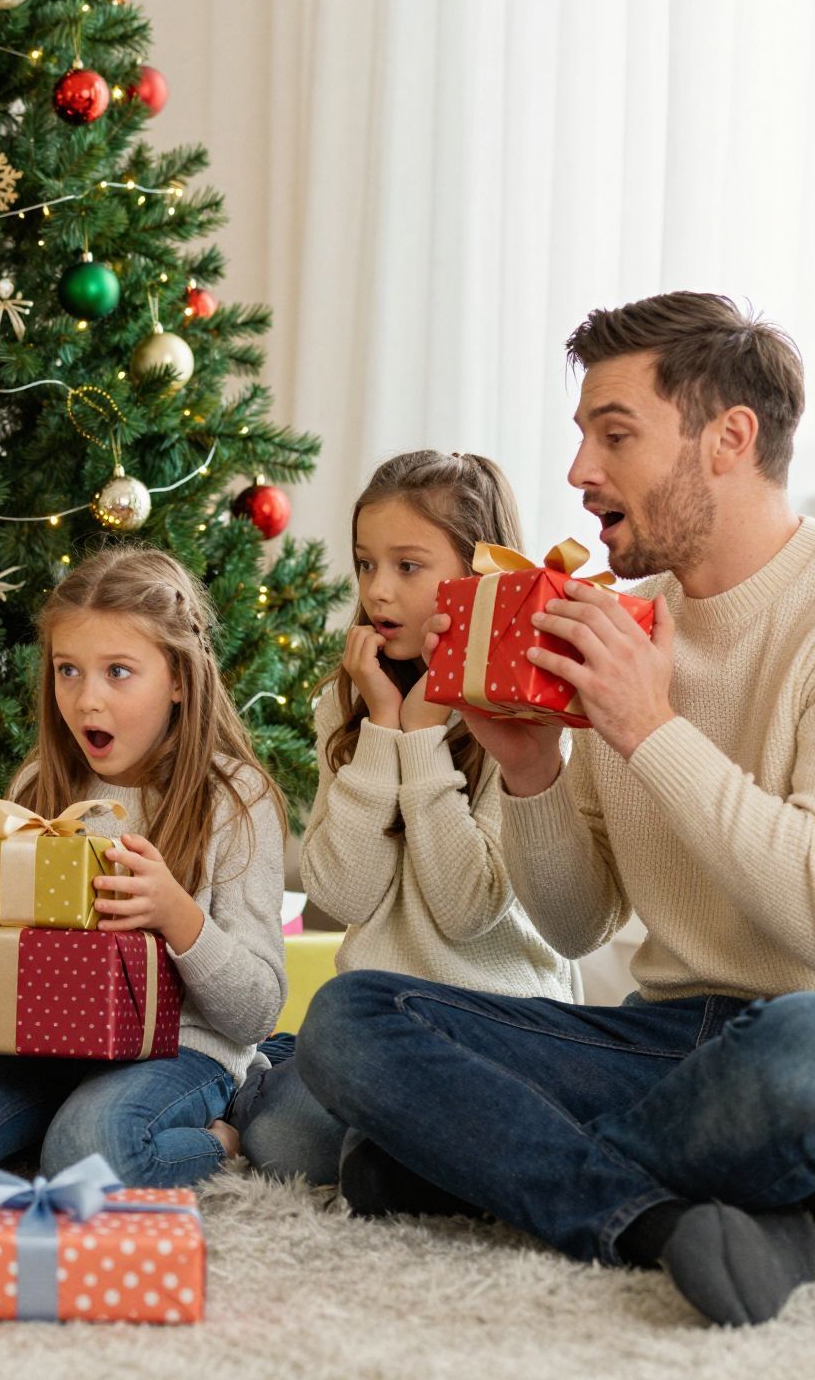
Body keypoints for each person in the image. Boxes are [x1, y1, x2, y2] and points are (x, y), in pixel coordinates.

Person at [297, 293, 815, 1325]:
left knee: (801, 1060)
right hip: (667, 1043)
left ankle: (470, 1169)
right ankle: (656, 1218)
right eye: (579, 439)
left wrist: (646, 727)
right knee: (350, 1018)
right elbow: (576, 924)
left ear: (726, 441)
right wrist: (531, 771)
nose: (576, 474)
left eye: (613, 436)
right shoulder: (617, 622)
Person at [0, 545, 289, 1188]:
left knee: (88, 1154)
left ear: (179, 679)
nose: (86, 700)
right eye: (68, 670)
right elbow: (6, 976)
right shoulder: (38, 788)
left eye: (118, 672)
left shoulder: (235, 800)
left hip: (184, 1050)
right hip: (41, 1049)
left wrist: (178, 918)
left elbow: (257, 1014)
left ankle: (220, 1141)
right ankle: (64, 1129)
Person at [229, 450, 574, 1186]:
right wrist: (384, 729)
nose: (377, 591)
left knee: (377, 1155)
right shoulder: (350, 703)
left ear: (479, 576)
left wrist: (424, 744)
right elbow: (343, 896)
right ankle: (300, 1085)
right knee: (286, 1143)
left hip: (498, 1023)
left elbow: (465, 909)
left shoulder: (530, 715)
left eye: (408, 567)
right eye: (365, 564)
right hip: (375, 1019)